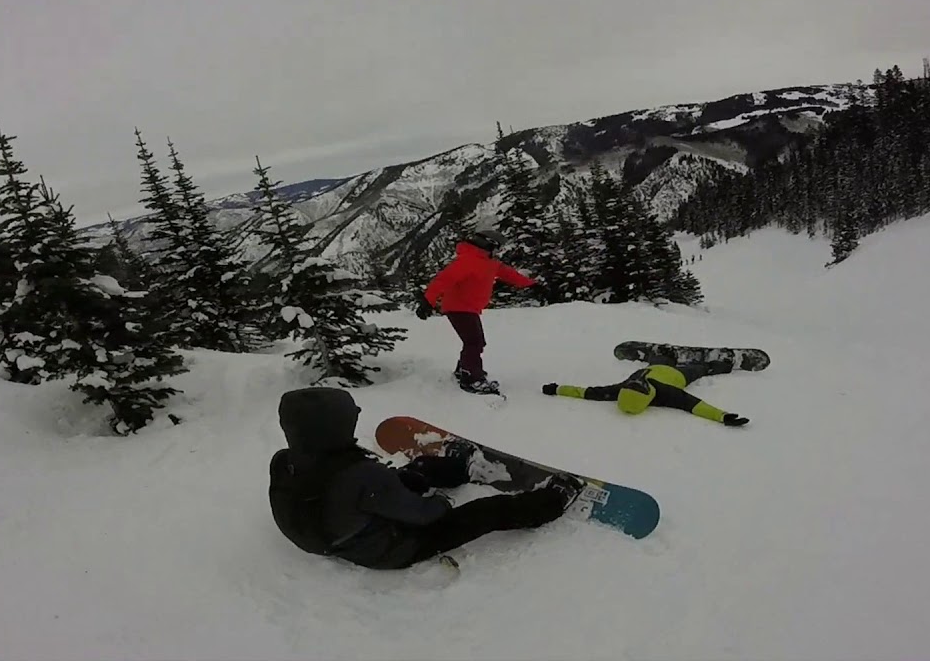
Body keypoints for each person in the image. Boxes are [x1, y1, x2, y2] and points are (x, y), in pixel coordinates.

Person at [268, 387, 578, 570]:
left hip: (334, 529)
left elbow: (359, 489)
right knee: (487, 512)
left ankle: (458, 468)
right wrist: (442, 503)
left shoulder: (283, 461)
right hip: (391, 550)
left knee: (410, 476)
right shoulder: (363, 475)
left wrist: (398, 484)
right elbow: (423, 515)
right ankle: (554, 500)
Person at [416, 228, 536, 394]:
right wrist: (427, 301)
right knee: (474, 342)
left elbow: (509, 274)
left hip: (469, 308)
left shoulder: (489, 262)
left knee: (474, 341)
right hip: (458, 307)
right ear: (489, 245)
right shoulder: (467, 261)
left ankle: (465, 369)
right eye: (498, 247)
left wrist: (531, 284)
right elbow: (442, 280)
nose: (499, 251)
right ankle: (470, 378)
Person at [541, 360, 751, 426]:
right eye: (640, 385)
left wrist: (557, 388)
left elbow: (585, 392)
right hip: (677, 374)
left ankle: (663, 355)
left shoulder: (620, 388)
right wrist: (723, 416)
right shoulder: (667, 393)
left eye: (634, 383)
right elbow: (696, 405)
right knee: (699, 369)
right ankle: (723, 364)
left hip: (654, 365)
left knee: (662, 358)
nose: (637, 381)